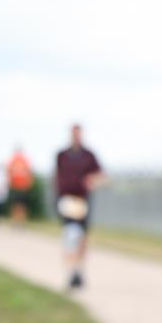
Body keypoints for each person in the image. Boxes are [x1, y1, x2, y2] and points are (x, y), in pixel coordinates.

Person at [55, 124, 105, 290]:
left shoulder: (89, 156)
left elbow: (102, 176)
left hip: (82, 200)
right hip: (67, 200)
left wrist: (92, 180)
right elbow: (57, 177)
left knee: (82, 237)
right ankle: (71, 272)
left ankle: (79, 270)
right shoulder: (62, 155)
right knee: (70, 236)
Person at [7, 146, 34, 224]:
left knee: (23, 205)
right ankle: (15, 221)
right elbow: (9, 172)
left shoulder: (24, 161)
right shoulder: (13, 160)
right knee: (15, 205)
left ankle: (22, 222)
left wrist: (28, 184)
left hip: (23, 186)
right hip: (15, 186)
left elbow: (29, 172)